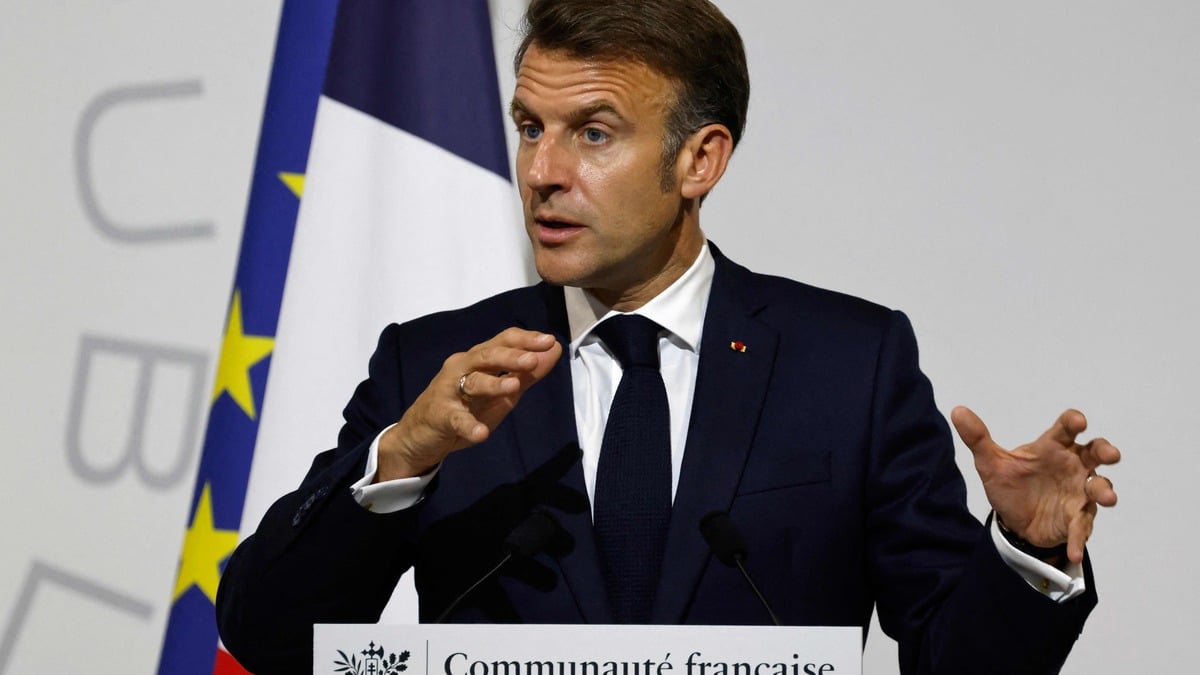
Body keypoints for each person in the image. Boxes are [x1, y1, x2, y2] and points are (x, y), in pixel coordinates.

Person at [216, 1, 1120, 673]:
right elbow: (265, 635)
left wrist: (1026, 551)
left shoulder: (850, 365)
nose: (542, 171)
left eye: (592, 133)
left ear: (700, 159)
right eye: (530, 128)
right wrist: (399, 462)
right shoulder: (434, 368)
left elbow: (956, 661)